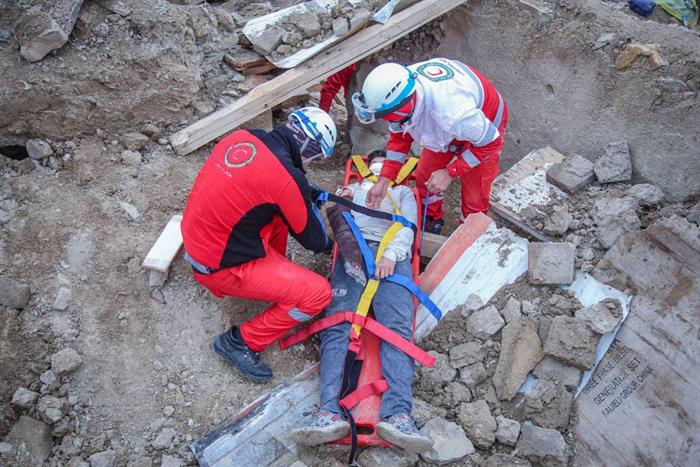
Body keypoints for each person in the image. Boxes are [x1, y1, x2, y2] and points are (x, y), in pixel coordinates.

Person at [180, 107, 337, 383]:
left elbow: (260, 183)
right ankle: (241, 342)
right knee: (318, 294)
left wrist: (301, 191)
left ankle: (273, 281)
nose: (311, 162)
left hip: (197, 240)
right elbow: (314, 239)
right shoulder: (287, 180)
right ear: (309, 147)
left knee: (276, 212)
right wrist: (332, 245)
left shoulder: (242, 137)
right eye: (315, 156)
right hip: (218, 267)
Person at [290, 152, 433, 453]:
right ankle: (329, 412)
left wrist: (390, 255)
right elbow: (339, 224)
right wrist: (341, 202)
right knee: (337, 325)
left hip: (393, 257)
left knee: (396, 331)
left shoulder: (403, 192)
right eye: (378, 161)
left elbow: (408, 226)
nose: (381, 166)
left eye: (386, 162)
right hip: (354, 253)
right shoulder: (353, 190)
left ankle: (398, 415)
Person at [352, 58, 508, 234]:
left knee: (474, 195)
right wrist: (384, 179)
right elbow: (399, 139)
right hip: (455, 120)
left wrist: (450, 172)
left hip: (485, 123)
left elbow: (492, 142)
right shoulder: (400, 87)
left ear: (402, 107)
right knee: (425, 177)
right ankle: (431, 221)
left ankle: (468, 235)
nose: (385, 119)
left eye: (385, 115)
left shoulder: (451, 112)